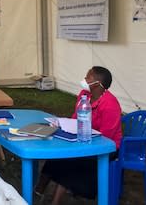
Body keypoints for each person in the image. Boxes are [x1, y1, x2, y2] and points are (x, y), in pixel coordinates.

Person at [35, 66, 122, 204]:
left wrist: (81, 143)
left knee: (71, 161)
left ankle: (55, 202)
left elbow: (107, 137)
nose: (85, 79)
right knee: (56, 156)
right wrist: (62, 125)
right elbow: (75, 119)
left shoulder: (110, 104)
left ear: (98, 84)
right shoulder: (84, 96)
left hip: (106, 146)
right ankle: (38, 192)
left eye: (88, 77)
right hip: (83, 138)